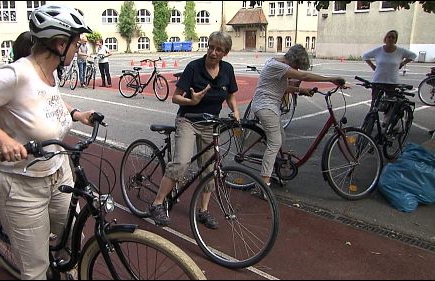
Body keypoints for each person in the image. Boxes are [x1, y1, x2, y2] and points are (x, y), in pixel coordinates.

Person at [0, 4, 93, 279]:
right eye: (77, 43)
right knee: (36, 268)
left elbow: (48, 101)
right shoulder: (16, 74)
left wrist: (76, 114)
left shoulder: (50, 72)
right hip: (21, 185)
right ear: (60, 43)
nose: (79, 49)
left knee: (73, 238)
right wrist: (2, 139)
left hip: (58, 171)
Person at [148, 31, 240, 229]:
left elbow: (231, 96)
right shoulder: (194, 67)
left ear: (225, 53)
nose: (213, 52)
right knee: (181, 162)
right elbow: (176, 97)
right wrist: (192, 100)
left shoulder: (227, 70)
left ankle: (203, 211)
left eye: (218, 49)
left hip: (210, 123)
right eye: (211, 47)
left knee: (210, 168)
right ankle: (156, 204)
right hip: (188, 120)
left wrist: (236, 112)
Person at [251, 44, 345, 188]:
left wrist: (301, 90)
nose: (297, 70)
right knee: (275, 143)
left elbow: (282, 88)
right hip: (265, 106)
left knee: (280, 138)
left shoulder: (276, 62)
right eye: (297, 67)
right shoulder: (278, 66)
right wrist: (331, 79)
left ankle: (272, 166)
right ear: (293, 62)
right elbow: (304, 76)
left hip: (269, 106)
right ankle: (263, 185)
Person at [362, 30, 417, 108]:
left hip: (392, 81)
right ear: (385, 38)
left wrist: (403, 63)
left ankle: (387, 119)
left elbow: (413, 56)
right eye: (389, 37)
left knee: (390, 104)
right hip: (378, 80)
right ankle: (372, 119)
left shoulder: (400, 51)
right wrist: (372, 66)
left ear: (395, 40)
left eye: (393, 37)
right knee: (375, 103)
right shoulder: (378, 50)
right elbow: (365, 56)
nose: (390, 39)